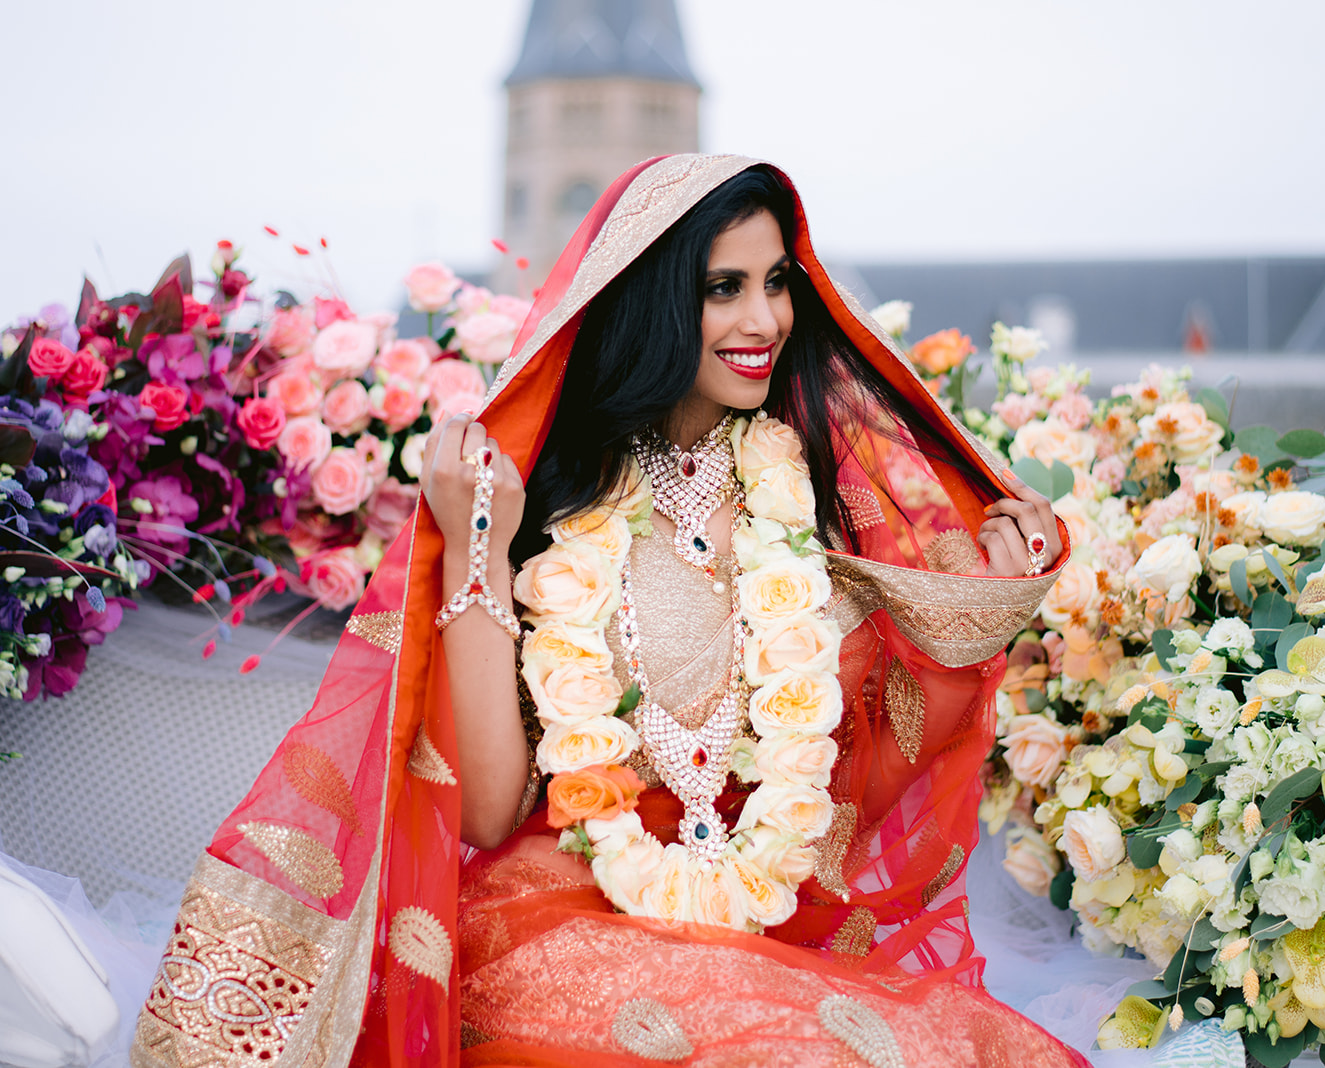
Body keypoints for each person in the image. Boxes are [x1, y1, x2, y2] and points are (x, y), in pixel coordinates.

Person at [132, 154, 1083, 1068]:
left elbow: (851, 801)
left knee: (971, 1049)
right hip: (558, 925)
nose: (765, 318)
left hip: (769, 930)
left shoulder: (813, 498)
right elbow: (491, 808)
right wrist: (481, 547)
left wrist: (972, 635)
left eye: (777, 282)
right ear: (649, 298)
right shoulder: (547, 496)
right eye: (724, 288)